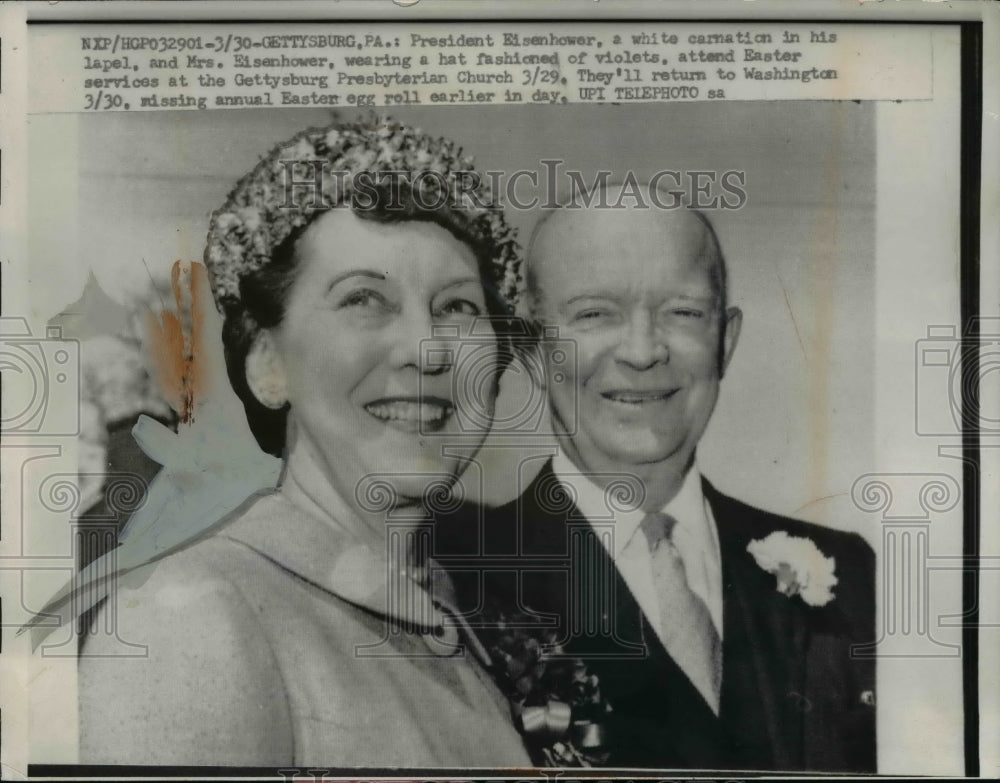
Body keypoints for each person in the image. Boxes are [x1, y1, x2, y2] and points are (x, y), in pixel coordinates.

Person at [77, 120, 533, 768]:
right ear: (268, 365)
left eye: (458, 308)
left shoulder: (454, 625)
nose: (425, 351)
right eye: (364, 299)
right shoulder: (192, 619)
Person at [450, 184, 876, 771]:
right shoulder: (456, 579)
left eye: (682, 313)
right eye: (595, 313)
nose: (644, 352)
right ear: (533, 349)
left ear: (724, 340)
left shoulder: (851, 575)